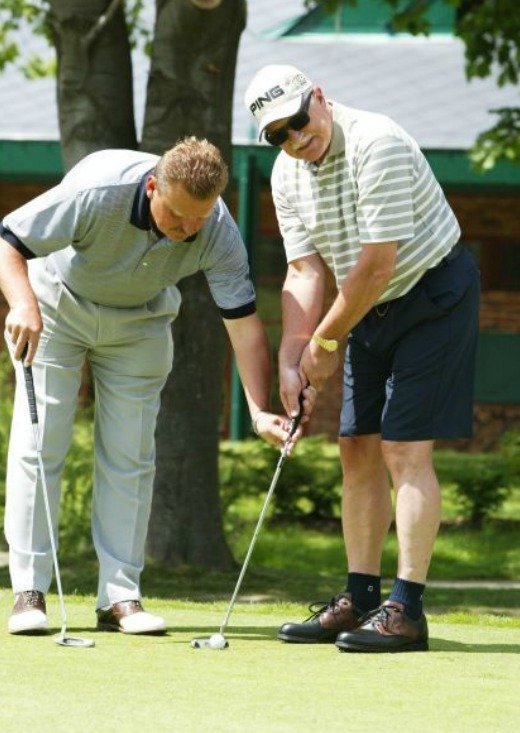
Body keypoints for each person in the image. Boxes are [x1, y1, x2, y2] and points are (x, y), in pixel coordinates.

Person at [0, 136, 312, 636]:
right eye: (179, 217)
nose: (189, 230)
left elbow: (242, 321)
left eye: (200, 218)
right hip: (56, 308)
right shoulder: (95, 189)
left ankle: (120, 597)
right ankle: (28, 591)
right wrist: (21, 305)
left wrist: (258, 410)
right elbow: (9, 240)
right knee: (40, 447)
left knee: (132, 457)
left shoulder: (216, 227)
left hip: (142, 322)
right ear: (152, 188)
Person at [245, 65, 480, 653]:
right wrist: (291, 356)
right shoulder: (287, 174)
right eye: (279, 134)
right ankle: (362, 597)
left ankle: (408, 610)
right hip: (365, 306)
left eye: (299, 120)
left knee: (403, 447)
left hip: (432, 294)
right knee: (356, 446)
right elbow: (303, 270)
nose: (296, 138)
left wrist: (325, 344)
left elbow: (377, 263)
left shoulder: (378, 143)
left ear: (318, 97)